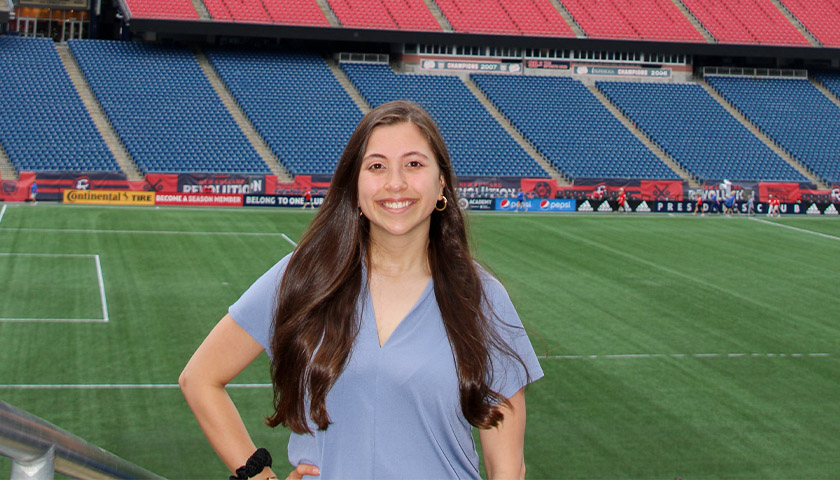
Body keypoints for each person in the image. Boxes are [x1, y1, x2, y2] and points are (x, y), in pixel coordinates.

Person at [180, 101, 543, 480]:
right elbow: (200, 378)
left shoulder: (481, 298)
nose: (395, 183)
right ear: (354, 185)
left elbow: (507, 469)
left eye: (414, 164)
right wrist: (257, 475)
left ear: (442, 184)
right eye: (376, 166)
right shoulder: (302, 278)